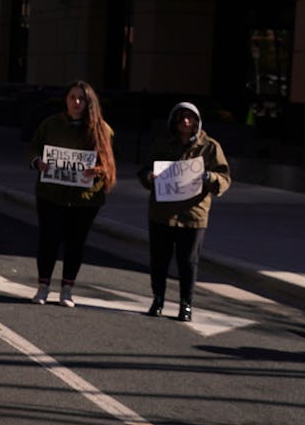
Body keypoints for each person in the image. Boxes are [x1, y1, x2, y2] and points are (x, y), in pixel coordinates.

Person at [137, 102, 231, 321]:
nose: (186, 122)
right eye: (181, 118)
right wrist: (150, 178)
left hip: (193, 215)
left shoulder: (210, 147)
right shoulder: (162, 143)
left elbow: (225, 178)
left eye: (190, 118)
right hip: (161, 213)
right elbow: (144, 170)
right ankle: (158, 299)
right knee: (159, 259)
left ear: (197, 122)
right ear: (174, 121)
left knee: (188, 262)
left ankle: (186, 304)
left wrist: (210, 177)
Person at [26, 80, 117, 307]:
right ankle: (43, 287)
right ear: (65, 100)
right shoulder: (50, 124)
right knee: (48, 241)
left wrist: (97, 170)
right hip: (51, 194)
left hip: (85, 199)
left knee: (75, 244)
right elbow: (33, 147)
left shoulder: (101, 129)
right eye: (72, 98)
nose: (76, 102)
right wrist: (37, 162)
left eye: (81, 98)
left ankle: (67, 289)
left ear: (88, 102)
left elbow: (109, 163)